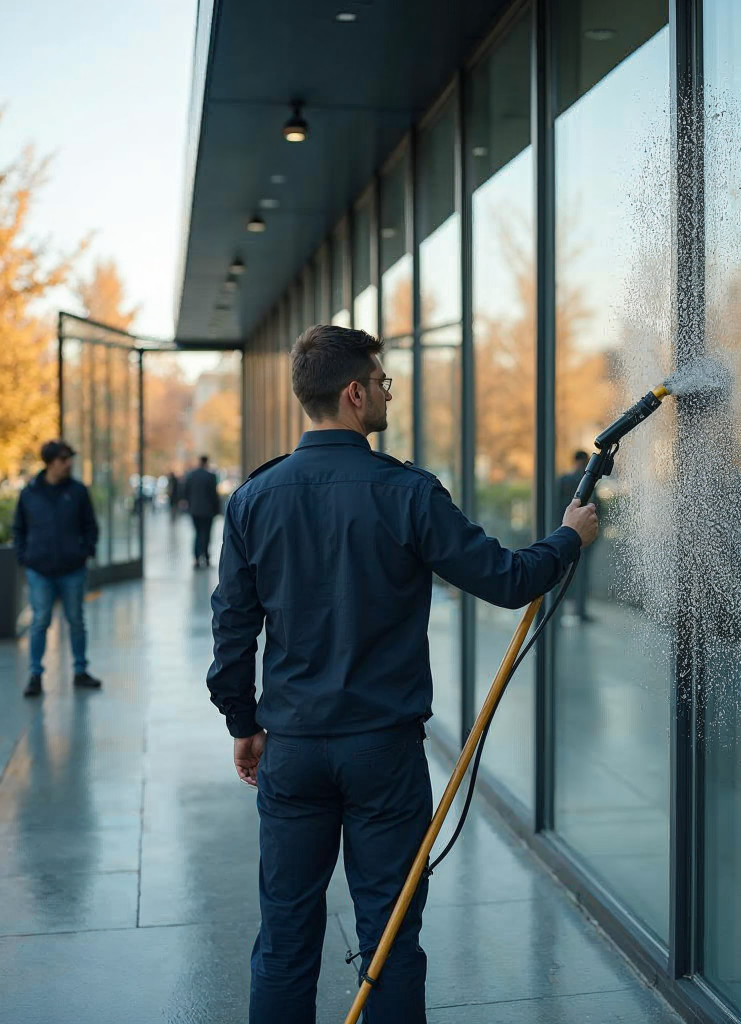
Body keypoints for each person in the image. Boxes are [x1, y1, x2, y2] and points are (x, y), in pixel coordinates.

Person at [206, 325, 597, 1024]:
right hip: (383, 753)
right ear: (355, 394)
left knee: (286, 937)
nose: (388, 391)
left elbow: (232, 629)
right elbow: (508, 580)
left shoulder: (254, 498)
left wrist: (244, 723)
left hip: (291, 747)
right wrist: (570, 536)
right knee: (389, 936)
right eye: (383, 381)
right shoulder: (408, 493)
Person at [13, 440, 103, 697]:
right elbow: (19, 528)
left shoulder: (77, 491)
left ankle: (80, 671)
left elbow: (90, 525)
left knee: (76, 621)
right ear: (51, 462)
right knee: (40, 621)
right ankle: (35, 675)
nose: (69, 463)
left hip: (72, 569)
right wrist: (25, 557)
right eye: (64, 459)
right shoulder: (29, 492)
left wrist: (85, 551)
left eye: (70, 458)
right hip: (38, 569)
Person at [556, 450, 598, 622]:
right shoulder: (588, 484)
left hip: (564, 535)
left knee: (558, 575)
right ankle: (579, 612)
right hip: (582, 538)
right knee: (580, 576)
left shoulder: (564, 481)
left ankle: (558, 613)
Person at [183, 455, 220, 568]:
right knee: (206, 533)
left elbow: (185, 492)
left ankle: (197, 558)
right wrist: (217, 509)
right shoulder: (211, 476)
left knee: (197, 533)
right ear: (207, 462)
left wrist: (189, 505)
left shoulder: (191, 475)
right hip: (208, 510)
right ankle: (206, 556)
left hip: (195, 510)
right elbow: (214, 495)